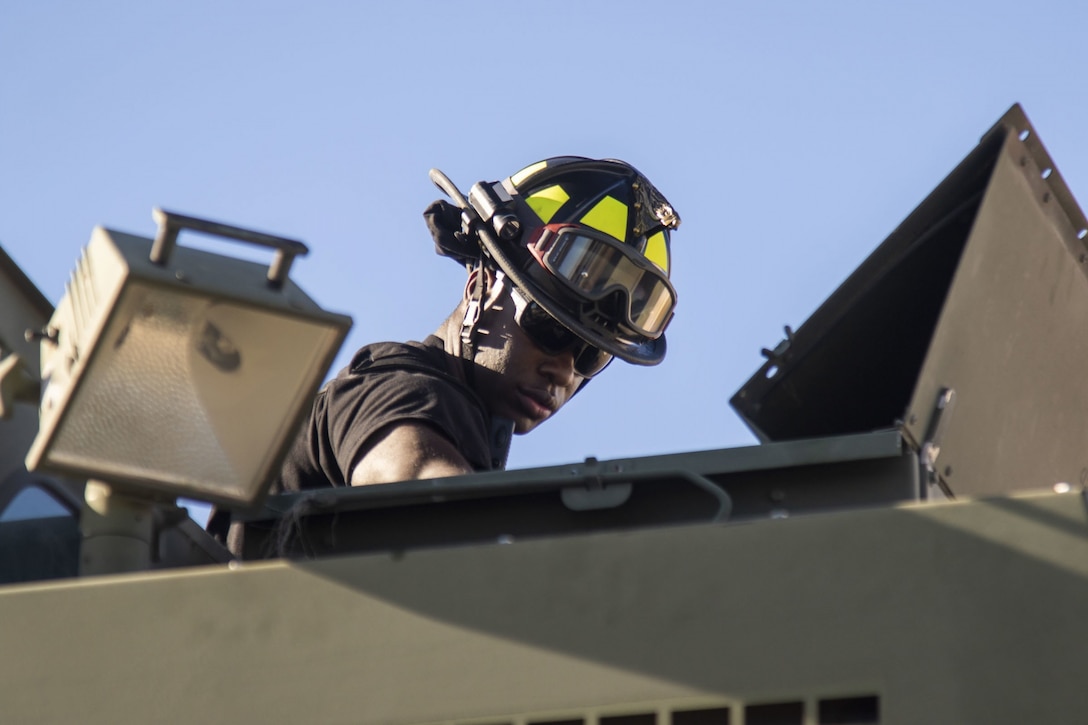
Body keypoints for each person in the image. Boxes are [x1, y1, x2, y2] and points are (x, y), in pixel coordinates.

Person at [274, 155, 682, 492]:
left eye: (590, 356)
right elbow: (419, 495)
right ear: (478, 288)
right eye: (548, 327)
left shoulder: (468, 433)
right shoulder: (401, 390)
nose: (562, 372)